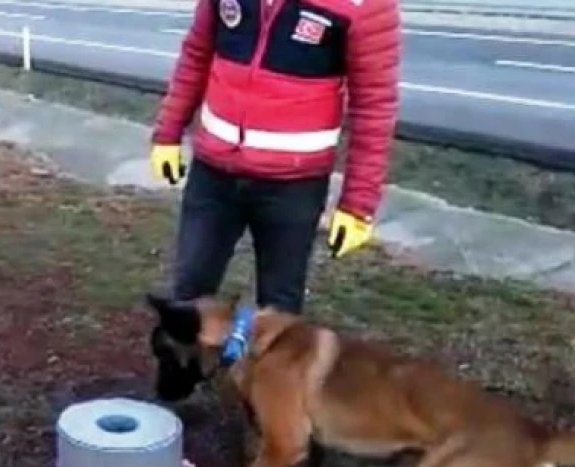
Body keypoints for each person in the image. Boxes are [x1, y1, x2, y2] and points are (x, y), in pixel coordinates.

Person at [149, 0, 400, 311]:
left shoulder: (364, 5)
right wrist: (168, 133)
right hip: (214, 172)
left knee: (279, 312)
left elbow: (374, 105)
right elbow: (196, 54)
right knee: (188, 296)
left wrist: (357, 205)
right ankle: (182, 360)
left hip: (294, 186)